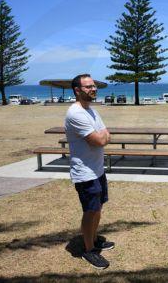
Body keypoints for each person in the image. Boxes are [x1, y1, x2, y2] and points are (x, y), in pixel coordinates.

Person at [65, 74, 114, 270]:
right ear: (77, 90)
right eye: (88, 87)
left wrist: (103, 135)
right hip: (85, 173)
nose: (93, 89)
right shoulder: (75, 113)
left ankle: (94, 239)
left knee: (99, 207)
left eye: (94, 86)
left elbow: (106, 133)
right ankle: (89, 250)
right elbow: (100, 140)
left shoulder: (91, 111)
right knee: (90, 211)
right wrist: (102, 136)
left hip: (98, 170)